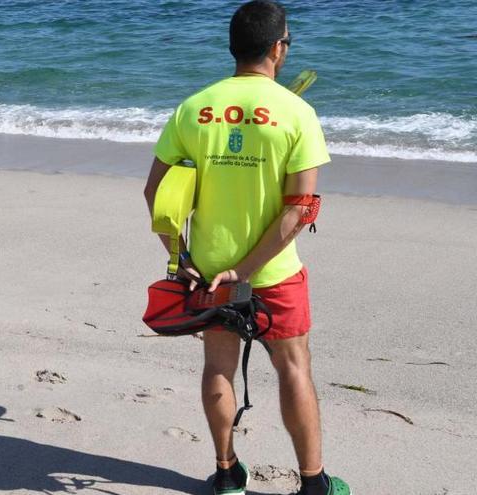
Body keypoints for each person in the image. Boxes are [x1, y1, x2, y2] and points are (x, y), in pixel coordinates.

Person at [143, 2, 350, 494]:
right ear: (279, 48)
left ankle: (226, 471)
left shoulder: (193, 108)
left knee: (218, 367)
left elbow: (156, 193)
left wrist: (184, 257)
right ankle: (314, 483)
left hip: (209, 270)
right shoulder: (298, 112)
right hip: (274, 271)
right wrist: (248, 270)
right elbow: (300, 209)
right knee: (293, 366)